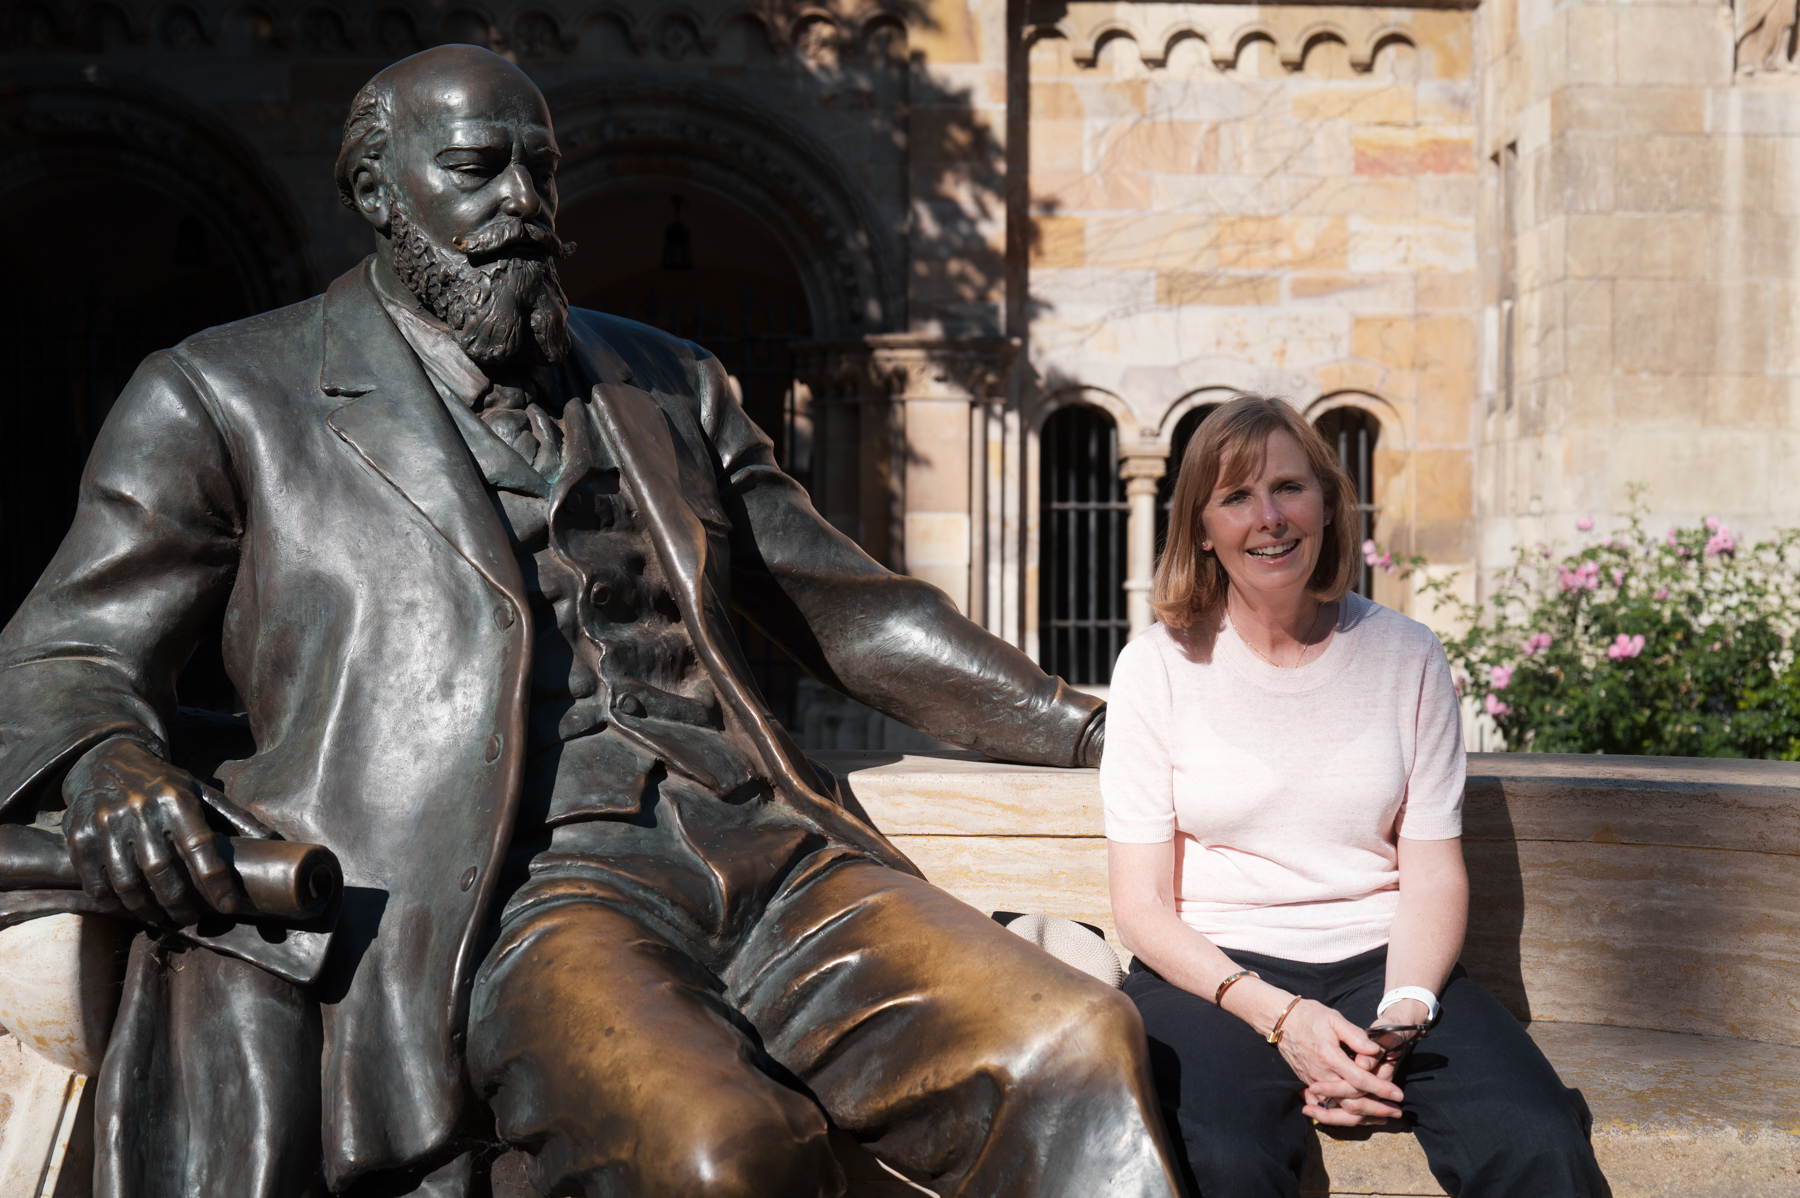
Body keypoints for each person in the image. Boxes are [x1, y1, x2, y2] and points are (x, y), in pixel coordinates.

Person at [0, 46, 1181, 1198]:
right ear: (375, 191)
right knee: (719, 1153)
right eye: (476, 167)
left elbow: (854, 609)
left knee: (1078, 1044)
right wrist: (107, 757)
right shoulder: (225, 393)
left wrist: (1093, 731)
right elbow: (66, 647)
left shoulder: (669, 378)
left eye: (541, 169)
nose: (522, 202)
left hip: (778, 856)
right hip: (523, 891)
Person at [1102, 395, 1607, 1197]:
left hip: (1383, 963)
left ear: (1329, 505)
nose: (1269, 517)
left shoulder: (1406, 655)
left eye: (1289, 488)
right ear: (1200, 528)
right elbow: (1140, 908)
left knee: (1538, 1141)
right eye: (1236, 497)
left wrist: (1403, 1015)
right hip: (1212, 975)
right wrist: (1282, 1017)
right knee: (1223, 1162)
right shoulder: (1156, 668)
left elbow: (1433, 872)